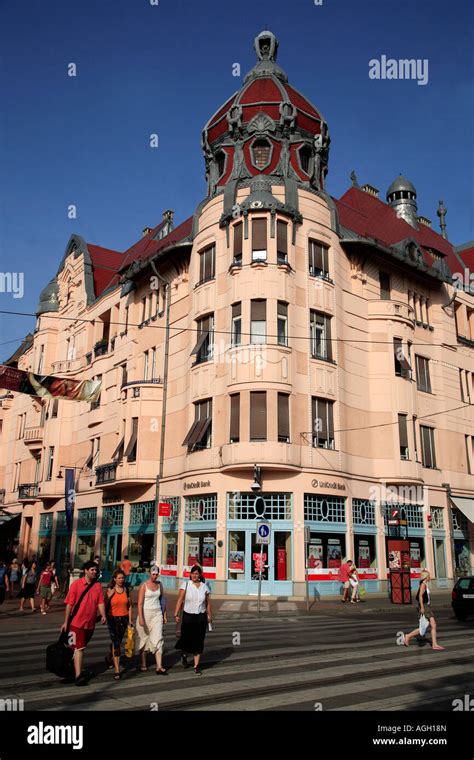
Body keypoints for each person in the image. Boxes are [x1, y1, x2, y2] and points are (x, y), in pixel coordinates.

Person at [61, 560, 106, 685]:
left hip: (90, 624)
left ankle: (70, 672)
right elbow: (69, 604)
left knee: (76, 648)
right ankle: (78, 676)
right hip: (75, 623)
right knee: (78, 648)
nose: (94, 572)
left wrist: (103, 615)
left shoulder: (97, 585)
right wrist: (66, 622)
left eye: (95, 570)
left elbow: (100, 602)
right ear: (85, 571)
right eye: (92, 570)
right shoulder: (76, 585)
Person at [174, 565, 212, 676]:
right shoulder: (186, 585)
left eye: (197, 573)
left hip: (201, 617)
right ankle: (184, 654)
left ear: (200, 575)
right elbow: (180, 600)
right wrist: (176, 614)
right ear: (190, 574)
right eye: (193, 573)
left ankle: (196, 666)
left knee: (199, 641)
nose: (194, 575)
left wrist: (209, 616)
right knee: (187, 640)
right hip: (188, 616)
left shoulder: (205, 587)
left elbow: (208, 603)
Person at [135, 565, 168, 674]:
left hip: (157, 613)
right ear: (150, 573)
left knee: (158, 638)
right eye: (153, 574)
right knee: (144, 638)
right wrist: (140, 618)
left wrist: (164, 615)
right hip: (145, 613)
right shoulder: (144, 585)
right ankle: (143, 663)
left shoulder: (160, 585)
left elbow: (162, 600)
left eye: (156, 574)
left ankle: (159, 666)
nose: (155, 576)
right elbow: (139, 603)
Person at [403, 570, 445, 651]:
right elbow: (420, 596)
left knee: (430, 626)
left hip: (427, 606)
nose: (430, 577)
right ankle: (408, 636)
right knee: (429, 626)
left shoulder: (425, 584)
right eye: (429, 575)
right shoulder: (423, 585)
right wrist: (422, 607)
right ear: (426, 577)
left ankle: (434, 644)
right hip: (425, 607)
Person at [105, 570, 133, 680]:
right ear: (115, 579)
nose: (121, 580)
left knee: (118, 641)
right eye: (119, 578)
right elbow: (104, 604)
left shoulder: (126, 590)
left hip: (124, 619)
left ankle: (109, 657)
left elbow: (129, 606)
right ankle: (117, 670)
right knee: (116, 643)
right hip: (112, 619)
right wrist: (109, 595)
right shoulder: (110, 590)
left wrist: (130, 620)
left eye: (123, 578)